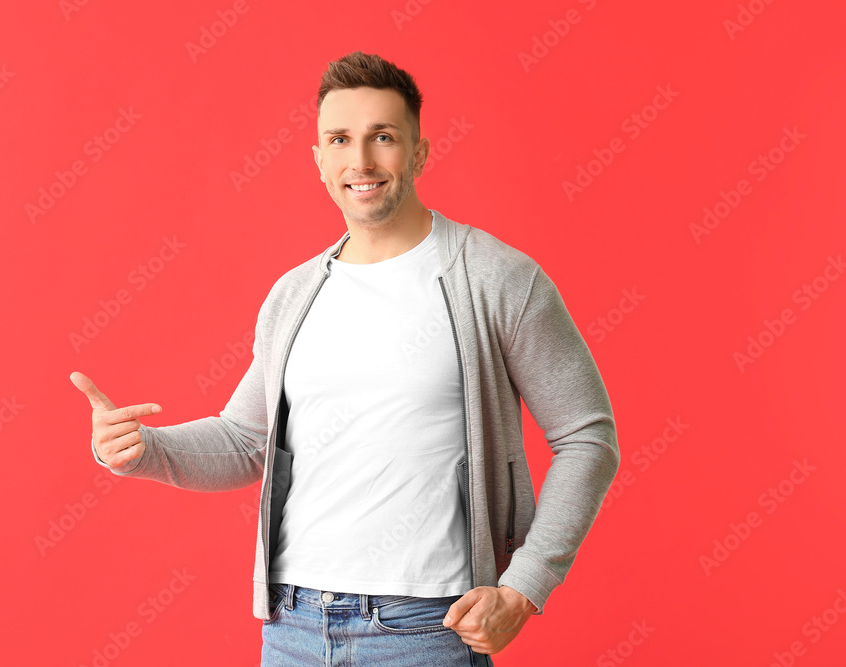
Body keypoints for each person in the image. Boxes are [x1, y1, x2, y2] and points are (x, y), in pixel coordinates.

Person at [71, 51, 619, 666]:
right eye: (340, 140)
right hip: (295, 627)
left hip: (428, 630)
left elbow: (587, 436)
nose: (360, 160)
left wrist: (524, 588)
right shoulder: (295, 295)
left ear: (417, 152)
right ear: (320, 160)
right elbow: (247, 439)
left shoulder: (496, 278)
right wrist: (145, 448)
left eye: (382, 137)